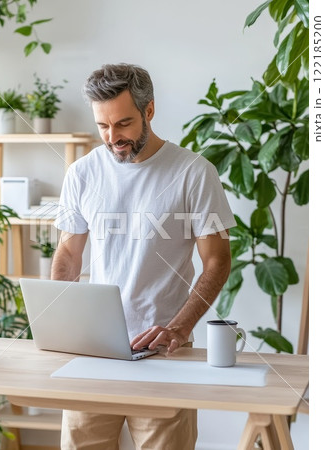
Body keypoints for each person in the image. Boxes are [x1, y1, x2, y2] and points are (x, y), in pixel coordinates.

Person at [52, 63, 236, 450]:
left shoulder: (194, 173)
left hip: (163, 351)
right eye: (102, 126)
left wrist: (180, 329)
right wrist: (59, 321)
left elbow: (217, 261)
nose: (112, 137)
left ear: (149, 111)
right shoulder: (82, 173)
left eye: (123, 124)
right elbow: (69, 252)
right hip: (94, 349)